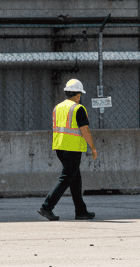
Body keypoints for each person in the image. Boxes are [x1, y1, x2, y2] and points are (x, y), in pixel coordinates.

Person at [38, 78, 98, 221]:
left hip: (60, 147)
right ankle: (46, 207)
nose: (80, 97)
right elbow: (84, 130)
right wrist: (93, 147)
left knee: (75, 179)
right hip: (72, 148)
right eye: (80, 95)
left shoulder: (58, 107)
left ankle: (81, 211)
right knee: (66, 179)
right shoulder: (78, 108)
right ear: (77, 95)